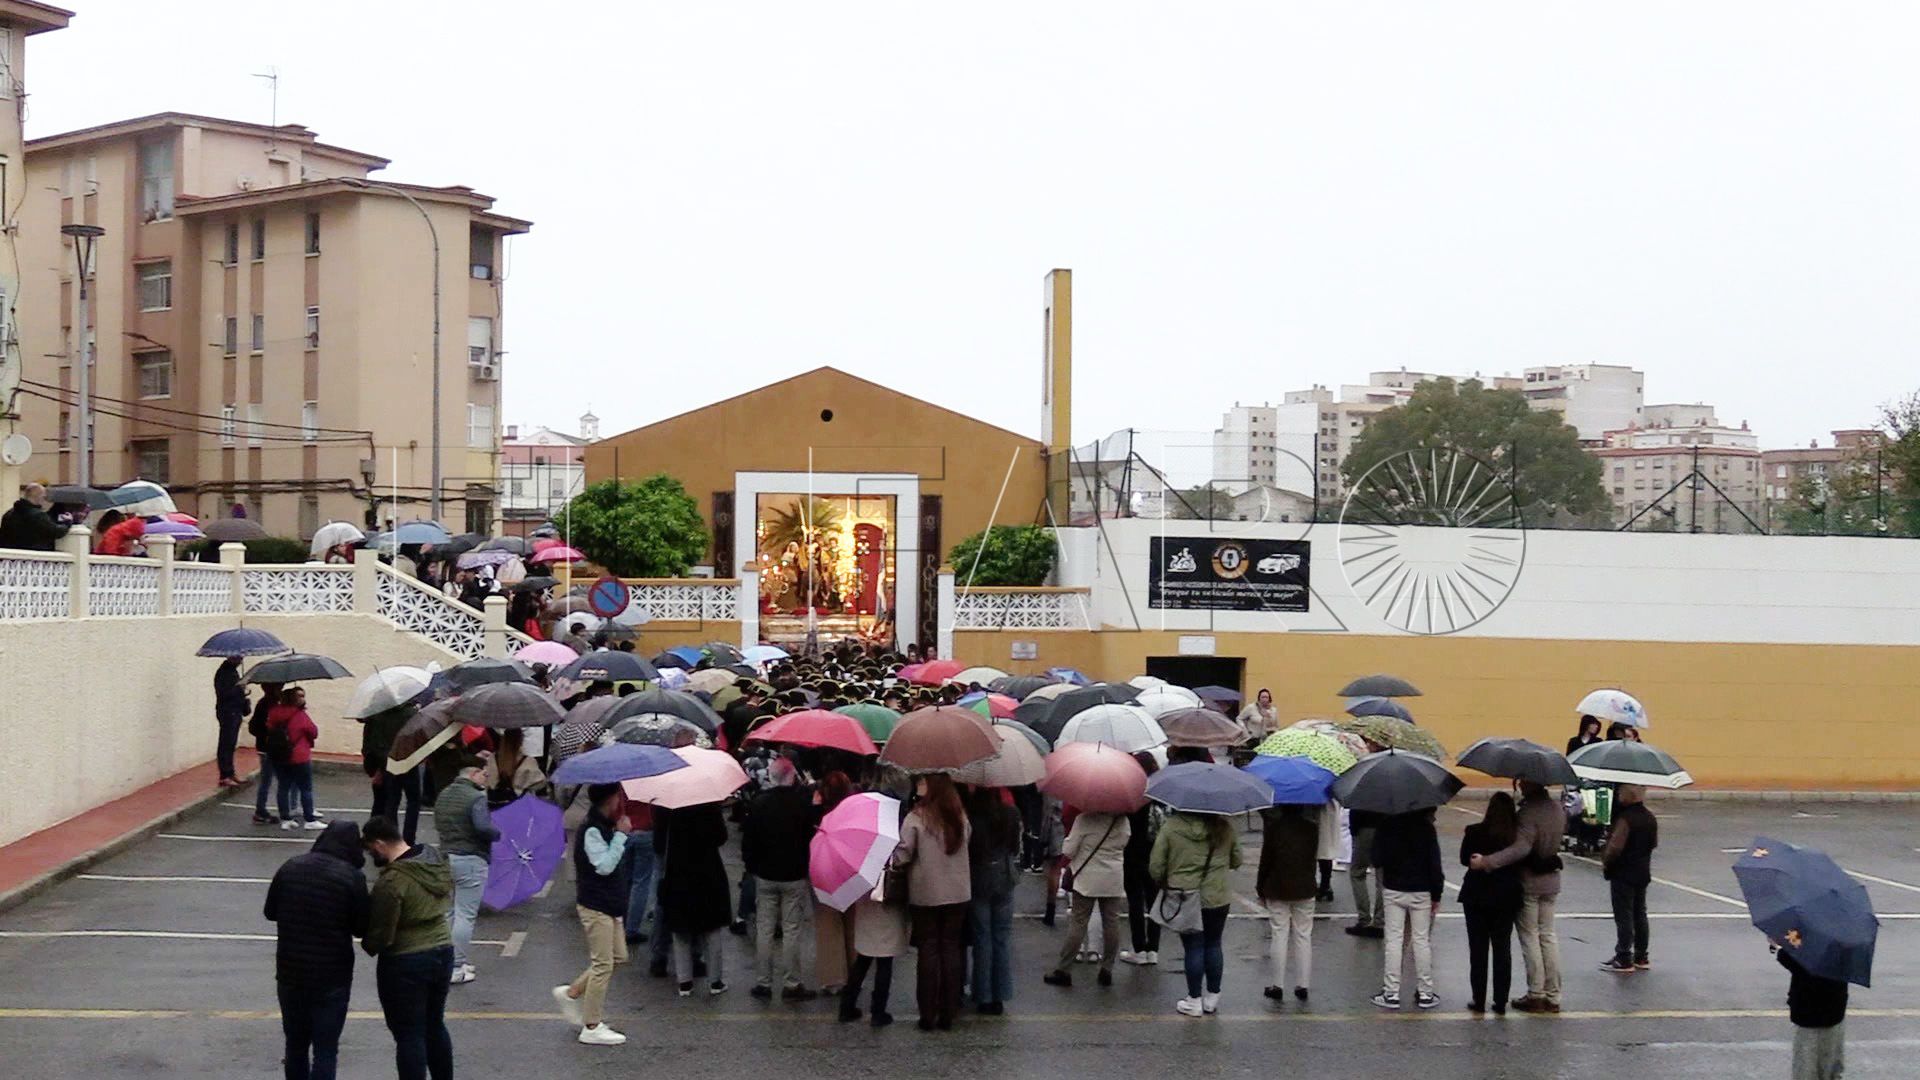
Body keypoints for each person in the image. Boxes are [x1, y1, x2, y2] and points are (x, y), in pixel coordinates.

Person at [264, 821, 370, 1080]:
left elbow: (270, 912)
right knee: (325, 1050)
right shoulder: (352, 877)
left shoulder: (291, 867)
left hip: (290, 973)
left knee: (296, 1045)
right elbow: (361, 927)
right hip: (331, 976)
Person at [361, 815, 455, 1080]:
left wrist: (367, 941)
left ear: (379, 844)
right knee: (434, 1025)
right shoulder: (433, 859)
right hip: (443, 949)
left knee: (409, 1033)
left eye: (371, 850)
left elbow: (381, 933)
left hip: (406, 960)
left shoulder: (392, 881)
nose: (371, 856)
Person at [1471, 780, 1566, 1013]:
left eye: (1523, 781)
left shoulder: (1528, 812)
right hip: (1552, 879)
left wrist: (1487, 862)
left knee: (1530, 936)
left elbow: (1521, 849)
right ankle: (1553, 995)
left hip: (1531, 880)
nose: (1520, 784)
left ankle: (1536, 993)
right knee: (1548, 936)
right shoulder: (1557, 809)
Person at [554, 783, 634, 1046]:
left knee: (618, 957)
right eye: (617, 798)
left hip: (609, 904)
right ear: (610, 799)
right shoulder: (592, 830)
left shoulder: (602, 826)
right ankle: (591, 1025)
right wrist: (621, 836)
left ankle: (573, 992)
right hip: (596, 905)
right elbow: (604, 866)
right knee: (603, 964)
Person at [894, 773, 972, 1030]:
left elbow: (903, 855)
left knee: (928, 949)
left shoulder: (917, 818)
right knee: (950, 948)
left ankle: (927, 1014)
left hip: (925, 892)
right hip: (958, 892)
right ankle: (949, 1011)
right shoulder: (960, 817)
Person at [1150, 809, 1241, 1017]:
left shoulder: (1172, 827)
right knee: (1214, 943)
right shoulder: (1224, 827)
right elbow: (1237, 860)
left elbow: (1156, 866)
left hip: (1184, 895)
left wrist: (1166, 879)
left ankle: (1194, 999)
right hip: (1217, 895)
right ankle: (1212, 997)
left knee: (1193, 946)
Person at [741, 757, 819, 1001]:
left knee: (764, 928)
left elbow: (748, 841)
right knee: (791, 929)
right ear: (792, 777)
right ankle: (791, 983)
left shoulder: (758, 803)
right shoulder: (803, 803)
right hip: (794, 873)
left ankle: (763, 982)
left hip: (765, 873)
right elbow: (811, 836)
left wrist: (752, 866)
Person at [431, 756, 500, 986]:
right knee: (465, 915)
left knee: (448, 912)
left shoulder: (444, 794)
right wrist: (496, 833)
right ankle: (456, 965)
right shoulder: (476, 797)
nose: (486, 779)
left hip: (445, 857)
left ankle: (442, 960)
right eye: (484, 774)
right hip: (471, 858)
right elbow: (482, 827)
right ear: (473, 774)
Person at [1045, 801, 1129, 989]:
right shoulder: (1122, 821)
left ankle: (1064, 969)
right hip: (1113, 877)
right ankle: (1107, 967)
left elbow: (1068, 850)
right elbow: (1125, 842)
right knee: (1111, 922)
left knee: (1079, 922)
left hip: (1087, 878)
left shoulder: (1084, 820)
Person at [1371, 808, 1443, 1010]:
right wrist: (1437, 894)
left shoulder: (1387, 825)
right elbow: (1435, 865)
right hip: (1422, 890)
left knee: (1394, 940)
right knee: (1421, 941)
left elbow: (1376, 859)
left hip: (1394, 887)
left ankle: (1391, 992)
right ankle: (1426, 992)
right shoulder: (1427, 828)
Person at [658, 801, 731, 997]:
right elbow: (721, 837)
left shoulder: (670, 806)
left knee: (681, 929)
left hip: (678, 871)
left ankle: (684, 982)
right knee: (712, 927)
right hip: (708, 871)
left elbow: (661, 842)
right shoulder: (709, 805)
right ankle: (715, 981)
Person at [1460, 791, 1524, 1014]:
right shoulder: (1515, 837)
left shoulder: (1474, 831)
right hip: (1506, 896)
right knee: (1502, 948)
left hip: (1476, 894)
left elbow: (1463, 860)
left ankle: (1478, 999)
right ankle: (1500, 1000)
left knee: (1477, 950)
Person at [965, 784, 1020, 1014]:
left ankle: (983, 994)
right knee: (1002, 937)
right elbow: (1015, 848)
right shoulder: (1011, 813)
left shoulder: (972, 817)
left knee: (982, 937)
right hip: (1005, 875)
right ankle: (1000, 993)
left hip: (979, 877)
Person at [1256, 802, 1318, 1004]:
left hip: (1277, 886)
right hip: (1305, 886)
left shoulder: (1274, 828)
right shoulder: (1311, 828)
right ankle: (1303, 984)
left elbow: (1266, 859)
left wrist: (1260, 886)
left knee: (1279, 933)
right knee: (1303, 935)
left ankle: (1277, 985)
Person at [1600, 784, 1657, 974]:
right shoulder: (1650, 818)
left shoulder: (1626, 819)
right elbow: (1653, 843)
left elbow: (1615, 847)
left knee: (1624, 915)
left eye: (1621, 792)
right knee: (1640, 913)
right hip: (1642, 871)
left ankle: (1624, 956)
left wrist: (1606, 860)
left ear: (1629, 795)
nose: (1618, 795)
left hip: (1623, 872)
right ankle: (1641, 955)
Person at [1779, 942, 1848, 1080]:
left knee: (1806, 1068)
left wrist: (1778, 948)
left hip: (1809, 1011)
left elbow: (1796, 963)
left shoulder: (1809, 932)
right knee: (1831, 1066)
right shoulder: (1845, 935)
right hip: (1835, 1007)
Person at [1119, 753, 1162, 966]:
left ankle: (1139, 948)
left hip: (1131, 853)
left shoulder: (1129, 795)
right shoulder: (1159, 792)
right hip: (1155, 853)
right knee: (1154, 901)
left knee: (1135, 901)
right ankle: (1153, 948)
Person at [363, 706, 422, 844]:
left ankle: (391, 839)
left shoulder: (377, 715)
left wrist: (374, 768)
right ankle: (409, 838)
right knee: (413, 800)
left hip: (387, 761)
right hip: (408, 760)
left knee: (391, 801)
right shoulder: (411, 713)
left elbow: (370, 744)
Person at [267, 687, 324, 831]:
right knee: (306, 788)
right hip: (299, 755)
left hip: (279, 755)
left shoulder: (274, 712)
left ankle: (285, 819)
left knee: (283, 787)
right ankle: (309, 819)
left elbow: (269, 727)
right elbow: (313, 732)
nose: (303, 699)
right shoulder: (300, 714)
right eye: (300, 696)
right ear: (294, 699)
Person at [1344, 806, 1386, 937]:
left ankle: (1364, 919)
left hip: (1364, 828)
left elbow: (1354, 811)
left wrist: (1353, 831)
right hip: (1384, 829)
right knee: (1382, 877)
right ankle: (1379, 921)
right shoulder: (1390, 787)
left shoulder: (1360, 788)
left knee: (1357, 873)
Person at [250, 683, 285, 825]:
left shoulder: (271, 704)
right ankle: (260, 810)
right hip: (267, 747)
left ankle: (263, 809)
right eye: (278, 688)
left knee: (270, 779)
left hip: (269, 746)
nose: (280, 690)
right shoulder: (266, 705)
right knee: (268, 780)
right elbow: (256, 727)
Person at [214, 656, 250, 789]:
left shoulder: (232, 672)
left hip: (234, 710)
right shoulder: (224, 673)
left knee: (231, 743)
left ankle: (230, 772)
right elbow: (224, 693)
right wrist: (240, 687)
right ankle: (225, 775)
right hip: (228, 711)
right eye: (238, 657)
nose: (241, 660)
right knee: (226, 743)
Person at [0, 482, 70, 550]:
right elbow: (55, 531)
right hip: (34, 557)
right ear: (39, 496)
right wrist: (67, 523)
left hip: (9, 558)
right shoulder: (37, 515)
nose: (44, 500)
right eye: (44, 497)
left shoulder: (8, 514)